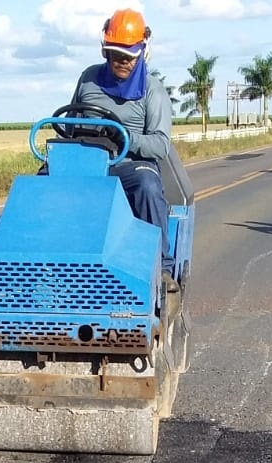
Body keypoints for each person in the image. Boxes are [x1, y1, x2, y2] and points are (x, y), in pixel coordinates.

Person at [69, 8, 174, 271]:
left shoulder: (152, 90)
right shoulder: (88, 78)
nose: (122, 62)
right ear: (105, 51)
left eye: (129, 56)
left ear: (142, 52)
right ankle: (40, 262)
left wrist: (124, 136)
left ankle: (162, 269)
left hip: (129, 164)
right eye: (116, 55)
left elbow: (161, 145)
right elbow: (70, 121)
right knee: (42, 181)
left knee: (148, 185)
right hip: (88, 161)